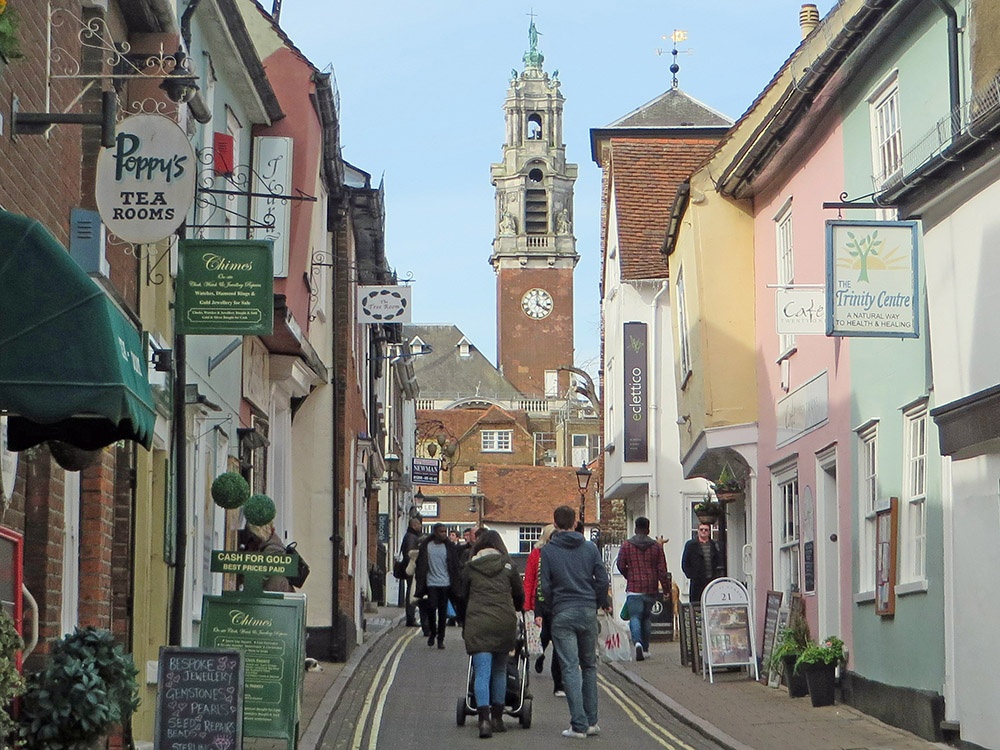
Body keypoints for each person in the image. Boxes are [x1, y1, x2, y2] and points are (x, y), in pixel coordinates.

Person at [538, 505, 610, 739]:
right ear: (575, 522)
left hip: (562, 611)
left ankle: (578, 725)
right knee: (589, 666)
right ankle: (591, 722)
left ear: (555, 524)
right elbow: (602, 579)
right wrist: (596, 601)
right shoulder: (589, 548)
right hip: (587, 610)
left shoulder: (548, 551)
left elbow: (545, 586)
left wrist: (552, 607)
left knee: (569, 668)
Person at [461, 529, 525, 738]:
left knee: (482, 672)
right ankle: (498, 718)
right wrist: (515, 607)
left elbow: (462, 596)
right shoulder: (508, 567)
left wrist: (465, 618)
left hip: (478, 623)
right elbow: (519, 595)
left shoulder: (471, 568)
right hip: (503, 622)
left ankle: (484, 721)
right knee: (499, 670)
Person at [615, 516, 671, 661]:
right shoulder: (656, 547)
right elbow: (662, 570)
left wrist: (629, 575)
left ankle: (637, 643)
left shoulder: (627, 545)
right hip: (650, 587)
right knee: (646, 618)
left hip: (634, 587)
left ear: (635, 528)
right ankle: (645, 648)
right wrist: (666, 589)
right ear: (648, 529)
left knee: (634, 617)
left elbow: (620, 564)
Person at [522, 524, 564, 695]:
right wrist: (526, 605)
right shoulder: (536, 554)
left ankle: (558, 684)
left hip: (557, 604)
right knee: (544, 636)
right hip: (537, 603)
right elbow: (530, 579)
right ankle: (540, 655)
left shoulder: (562, 555)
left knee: (557, 641)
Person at [415, 522, 461, 648]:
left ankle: (441, 639)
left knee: (442, 613)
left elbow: (455, 566)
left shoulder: (449, 547)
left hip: (445, 583)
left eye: (445, 532)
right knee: (431, 608)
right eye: (441, 531)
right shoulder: (426, 546)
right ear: (435, 532)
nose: (444, 534)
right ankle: (432, 632)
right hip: (431, 582)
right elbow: (420, 564)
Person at [243, 521, 292, 592]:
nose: (252, 536)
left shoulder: (273, 548)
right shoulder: (267, 539)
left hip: (273, 591)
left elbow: (260, 574)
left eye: (253, 535)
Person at [681, 521, 724, 603]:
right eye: (701, 529)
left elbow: (718, 561)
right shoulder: (691, 545)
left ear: (709, 532)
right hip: (697, 582)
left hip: (711, 581)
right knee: (696, 604)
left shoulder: (714, 545)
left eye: (706, 530)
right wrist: (691, 575)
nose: (703, 531)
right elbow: (685, 563)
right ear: (698, 531)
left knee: (711, 602)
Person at [400, 515, 425, 628]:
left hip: (411, 568)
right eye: (419, 524)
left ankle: (411, 618)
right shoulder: (411, 537)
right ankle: (410, 618)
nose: (420, 526)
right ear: (414, 525)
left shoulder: (411, 536)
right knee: (412, 592)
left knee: (412, 592)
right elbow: (410, 553)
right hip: (412, 568)